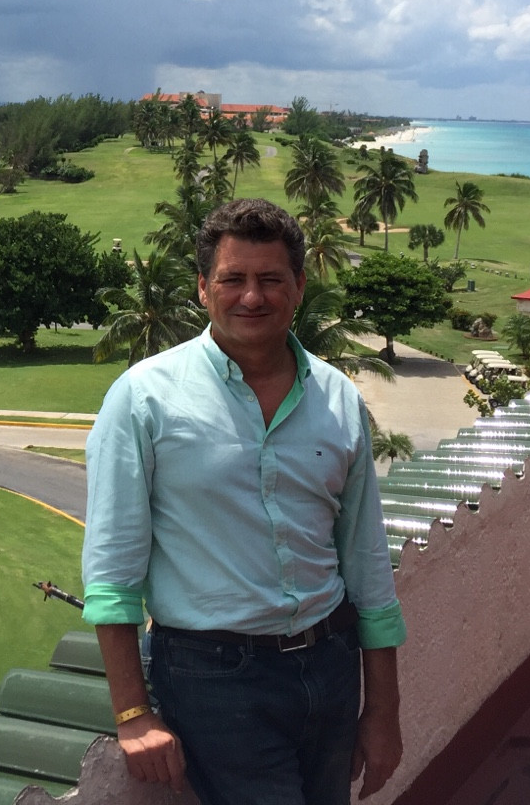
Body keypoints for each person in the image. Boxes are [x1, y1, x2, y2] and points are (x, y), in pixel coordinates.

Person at [81, 198, 405, 804]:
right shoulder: (144, 399)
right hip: (214, 678)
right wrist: (132, 712)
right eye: (233, 279)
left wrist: (383, 711)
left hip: (331, 665)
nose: (252, 297)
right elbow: (112, 572)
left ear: (299, 287)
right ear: (203, 288)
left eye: (271, 279)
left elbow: (366, 564)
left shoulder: (338, 398)